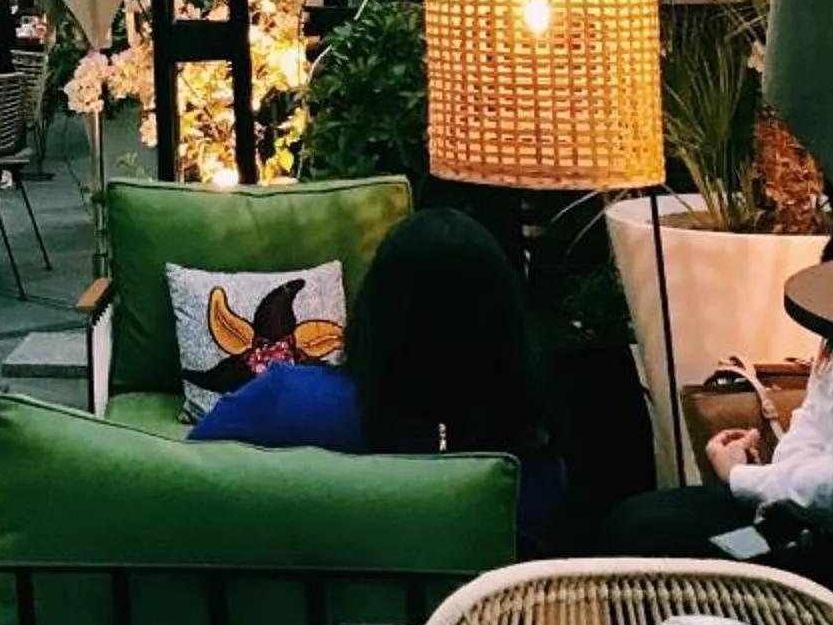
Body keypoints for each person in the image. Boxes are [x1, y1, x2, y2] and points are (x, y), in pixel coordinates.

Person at [190, 208, 568, 554]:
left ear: (375, 308)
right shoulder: (526, 466)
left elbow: (183, 488)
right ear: (505, 325)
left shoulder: (281, 401)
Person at [602, 345, 833, 575]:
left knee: (649, 538)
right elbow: (812, 424)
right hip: (804, 524)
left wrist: (740, 478)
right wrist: (766, 481)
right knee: (633, 518)